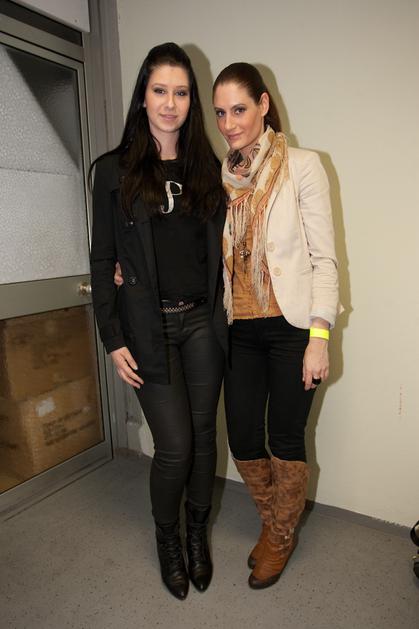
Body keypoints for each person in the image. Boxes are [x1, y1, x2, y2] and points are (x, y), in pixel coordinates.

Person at [90, 43, 227, 600]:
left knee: (203, 437)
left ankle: (197, 534)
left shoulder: (209, 169)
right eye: (160, 90)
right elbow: (102, 259)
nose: (170, 103)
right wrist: (111, 335)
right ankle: (168, 538)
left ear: (192, 101)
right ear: (143, 97)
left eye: (181, 92)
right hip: (149, 329)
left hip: (202, 324)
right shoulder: (113, 171)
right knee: (174, 446)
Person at [212, 62, 342, 589]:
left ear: (264, 105)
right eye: (220, 113)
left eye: (239, 109)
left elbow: (325, 261)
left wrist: (319, 337)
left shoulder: (304, 166)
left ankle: (281, 537)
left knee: (285, 437)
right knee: (243, 436)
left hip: (292, 328)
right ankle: (274, 524)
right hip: (240, 328)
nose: (229, 123)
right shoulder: (222, 178)